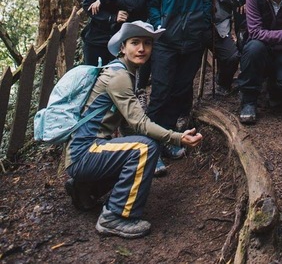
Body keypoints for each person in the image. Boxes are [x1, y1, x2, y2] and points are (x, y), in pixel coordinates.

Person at [65, 21, 203, 237]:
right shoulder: (119, 76)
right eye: (135, 42)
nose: (142, 49)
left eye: (147, 43)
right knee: (145, 148)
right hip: (84, 152)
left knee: (136, 148)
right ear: (123, 47)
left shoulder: (125, 71)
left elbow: (128, 123)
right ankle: (115, 216)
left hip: (84, 152)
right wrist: (176, 137)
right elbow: (139, 123)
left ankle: (84, 189)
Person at [146, 0, 212, 153]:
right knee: (161, 91)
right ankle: (149, 146)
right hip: (166, 40)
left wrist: (203, 24)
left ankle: (171, 139)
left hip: (193, 40)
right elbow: (152, 1)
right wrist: (158, 24)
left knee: (180, 89)